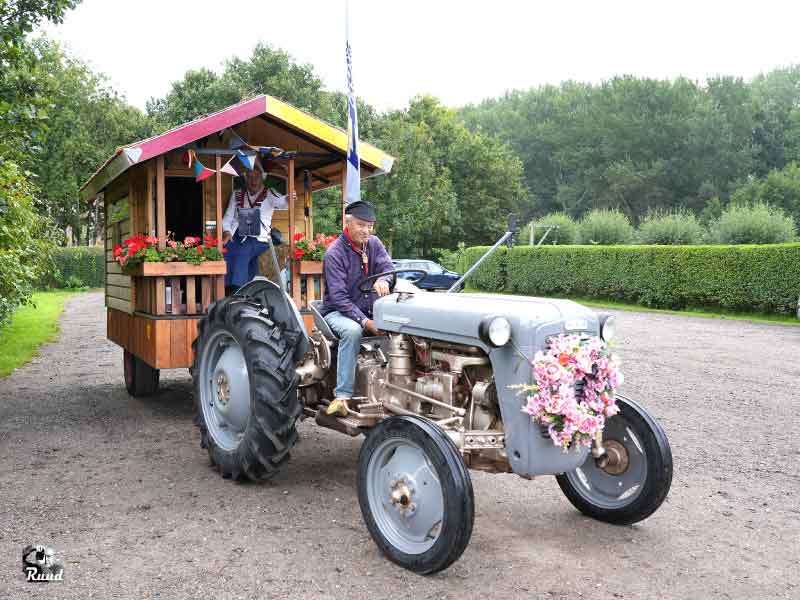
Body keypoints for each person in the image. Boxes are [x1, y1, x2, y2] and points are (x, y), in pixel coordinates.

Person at [320, 200, 393, 417]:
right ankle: (342, 396)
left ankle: (394, 385)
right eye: (362, 225)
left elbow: (388, 268)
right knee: (352, 331)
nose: (367, 231)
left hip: (368, 309)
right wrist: (366, 323)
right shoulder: (334, 254)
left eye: (370, 226)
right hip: (337, 312)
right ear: (348, 223)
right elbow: (339, 298)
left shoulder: (374, 244)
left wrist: (385, 280)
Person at [221, 159, 294, 293]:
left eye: (256, 177)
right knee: (227, 250)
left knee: (243, 251)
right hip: (238, 234)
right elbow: (227, 218)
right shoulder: (236, 194)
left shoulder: (270, 194)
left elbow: (282, 203)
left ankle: (238, 292)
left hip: (259, 237)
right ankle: (225, 289)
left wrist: (289, 198)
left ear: (262, 178)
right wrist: (227, 232)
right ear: (245, 178)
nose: (253, 181)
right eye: (250, 177)